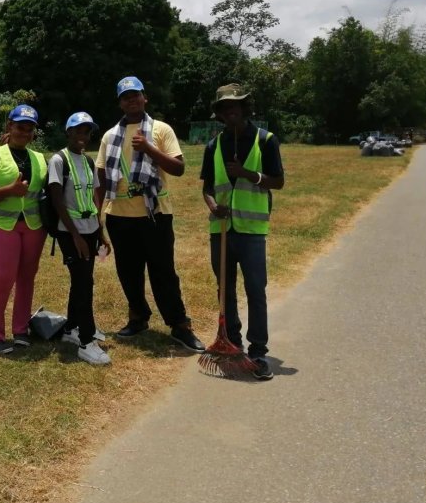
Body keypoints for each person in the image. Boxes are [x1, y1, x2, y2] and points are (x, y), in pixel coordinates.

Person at [95, 76, 204, 352]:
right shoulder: (110, 136)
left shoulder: (160, 130)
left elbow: (178, 169)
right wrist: (98, 217)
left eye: (135, 94)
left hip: (155, 214)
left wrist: (149, 149)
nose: (131, 100)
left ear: (145, 98)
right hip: (119, 216)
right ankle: (138, 317)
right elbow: (102, 177)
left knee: (164, 273)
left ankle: (179, 324)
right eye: (125, 96)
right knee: (128, 273)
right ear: (120, 102)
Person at [200, 83, 285, 380]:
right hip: (221, 229)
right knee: (225, 290)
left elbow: (278, 182)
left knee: (255, 290)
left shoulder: (266, 141)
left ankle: (258, 352)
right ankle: (231, 343)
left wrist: (249, 174)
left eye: (235, 104)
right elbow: (207, 187)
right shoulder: (213, 145)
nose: (230, 110)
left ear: (245, 107)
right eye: (224, 107)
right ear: (220, 113)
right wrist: (212, 205)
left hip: (251, 230)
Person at [0, 104, 48, 355]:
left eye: (29, 129)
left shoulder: (40, 159)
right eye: (20, 127)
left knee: (26, 279)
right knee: (3, 279)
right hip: (4, 227)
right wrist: (10, 190)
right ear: (10, 126)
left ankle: (21, 330)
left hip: (34, 228)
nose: (24, 132)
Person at [48, 111, 111, 365]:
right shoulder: (58, 160)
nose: (83, 136)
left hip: (90, 229)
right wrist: (75, 235)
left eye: (87, 131)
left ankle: (71, 328)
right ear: (69, 132)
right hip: (70, 232)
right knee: (84, 283)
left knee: (84, 281)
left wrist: (101, 232)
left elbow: (94, 197)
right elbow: (56, 199)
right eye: (78, 131)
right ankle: (86, 341)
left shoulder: (87, 161)